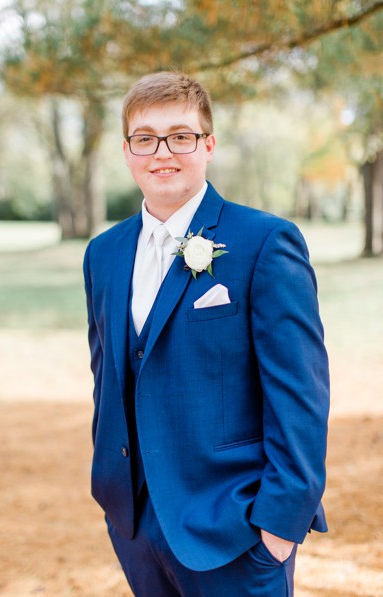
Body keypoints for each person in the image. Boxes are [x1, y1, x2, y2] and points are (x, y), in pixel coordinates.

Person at [83, 71, 329, 596]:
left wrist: (279, 529)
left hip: (234, 529)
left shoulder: (264, 242)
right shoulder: (102, 254)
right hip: (136, 525)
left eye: (181, 136)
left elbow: (300, 396)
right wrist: (111, 492)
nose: (162, 153)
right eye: (145, 138)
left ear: (209, 145)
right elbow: (105, 377)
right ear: (127, 151)